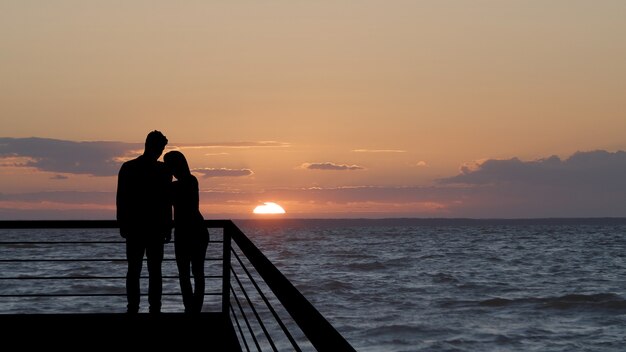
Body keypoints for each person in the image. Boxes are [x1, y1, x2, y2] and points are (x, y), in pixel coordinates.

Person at [116, 130, 172, 314]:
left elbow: (122, 199)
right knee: (152, 271)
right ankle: (154, 309)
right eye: (160, 148)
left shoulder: (128, 167)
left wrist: (122, 223)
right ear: (151, 146)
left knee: (135, 270)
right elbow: (166, 201)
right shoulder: (163, 171)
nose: (161, 152)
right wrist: (168, 226)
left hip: (136, 227)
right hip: (152, 228)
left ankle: (133, 309)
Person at [163, 150, 210, 314]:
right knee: (190, 274)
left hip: (192, 231)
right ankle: (191, 308)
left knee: (193, 273)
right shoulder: (187, 182)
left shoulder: (187, 182)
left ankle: (193, 309)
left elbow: (169, 201)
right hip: (188, 231)